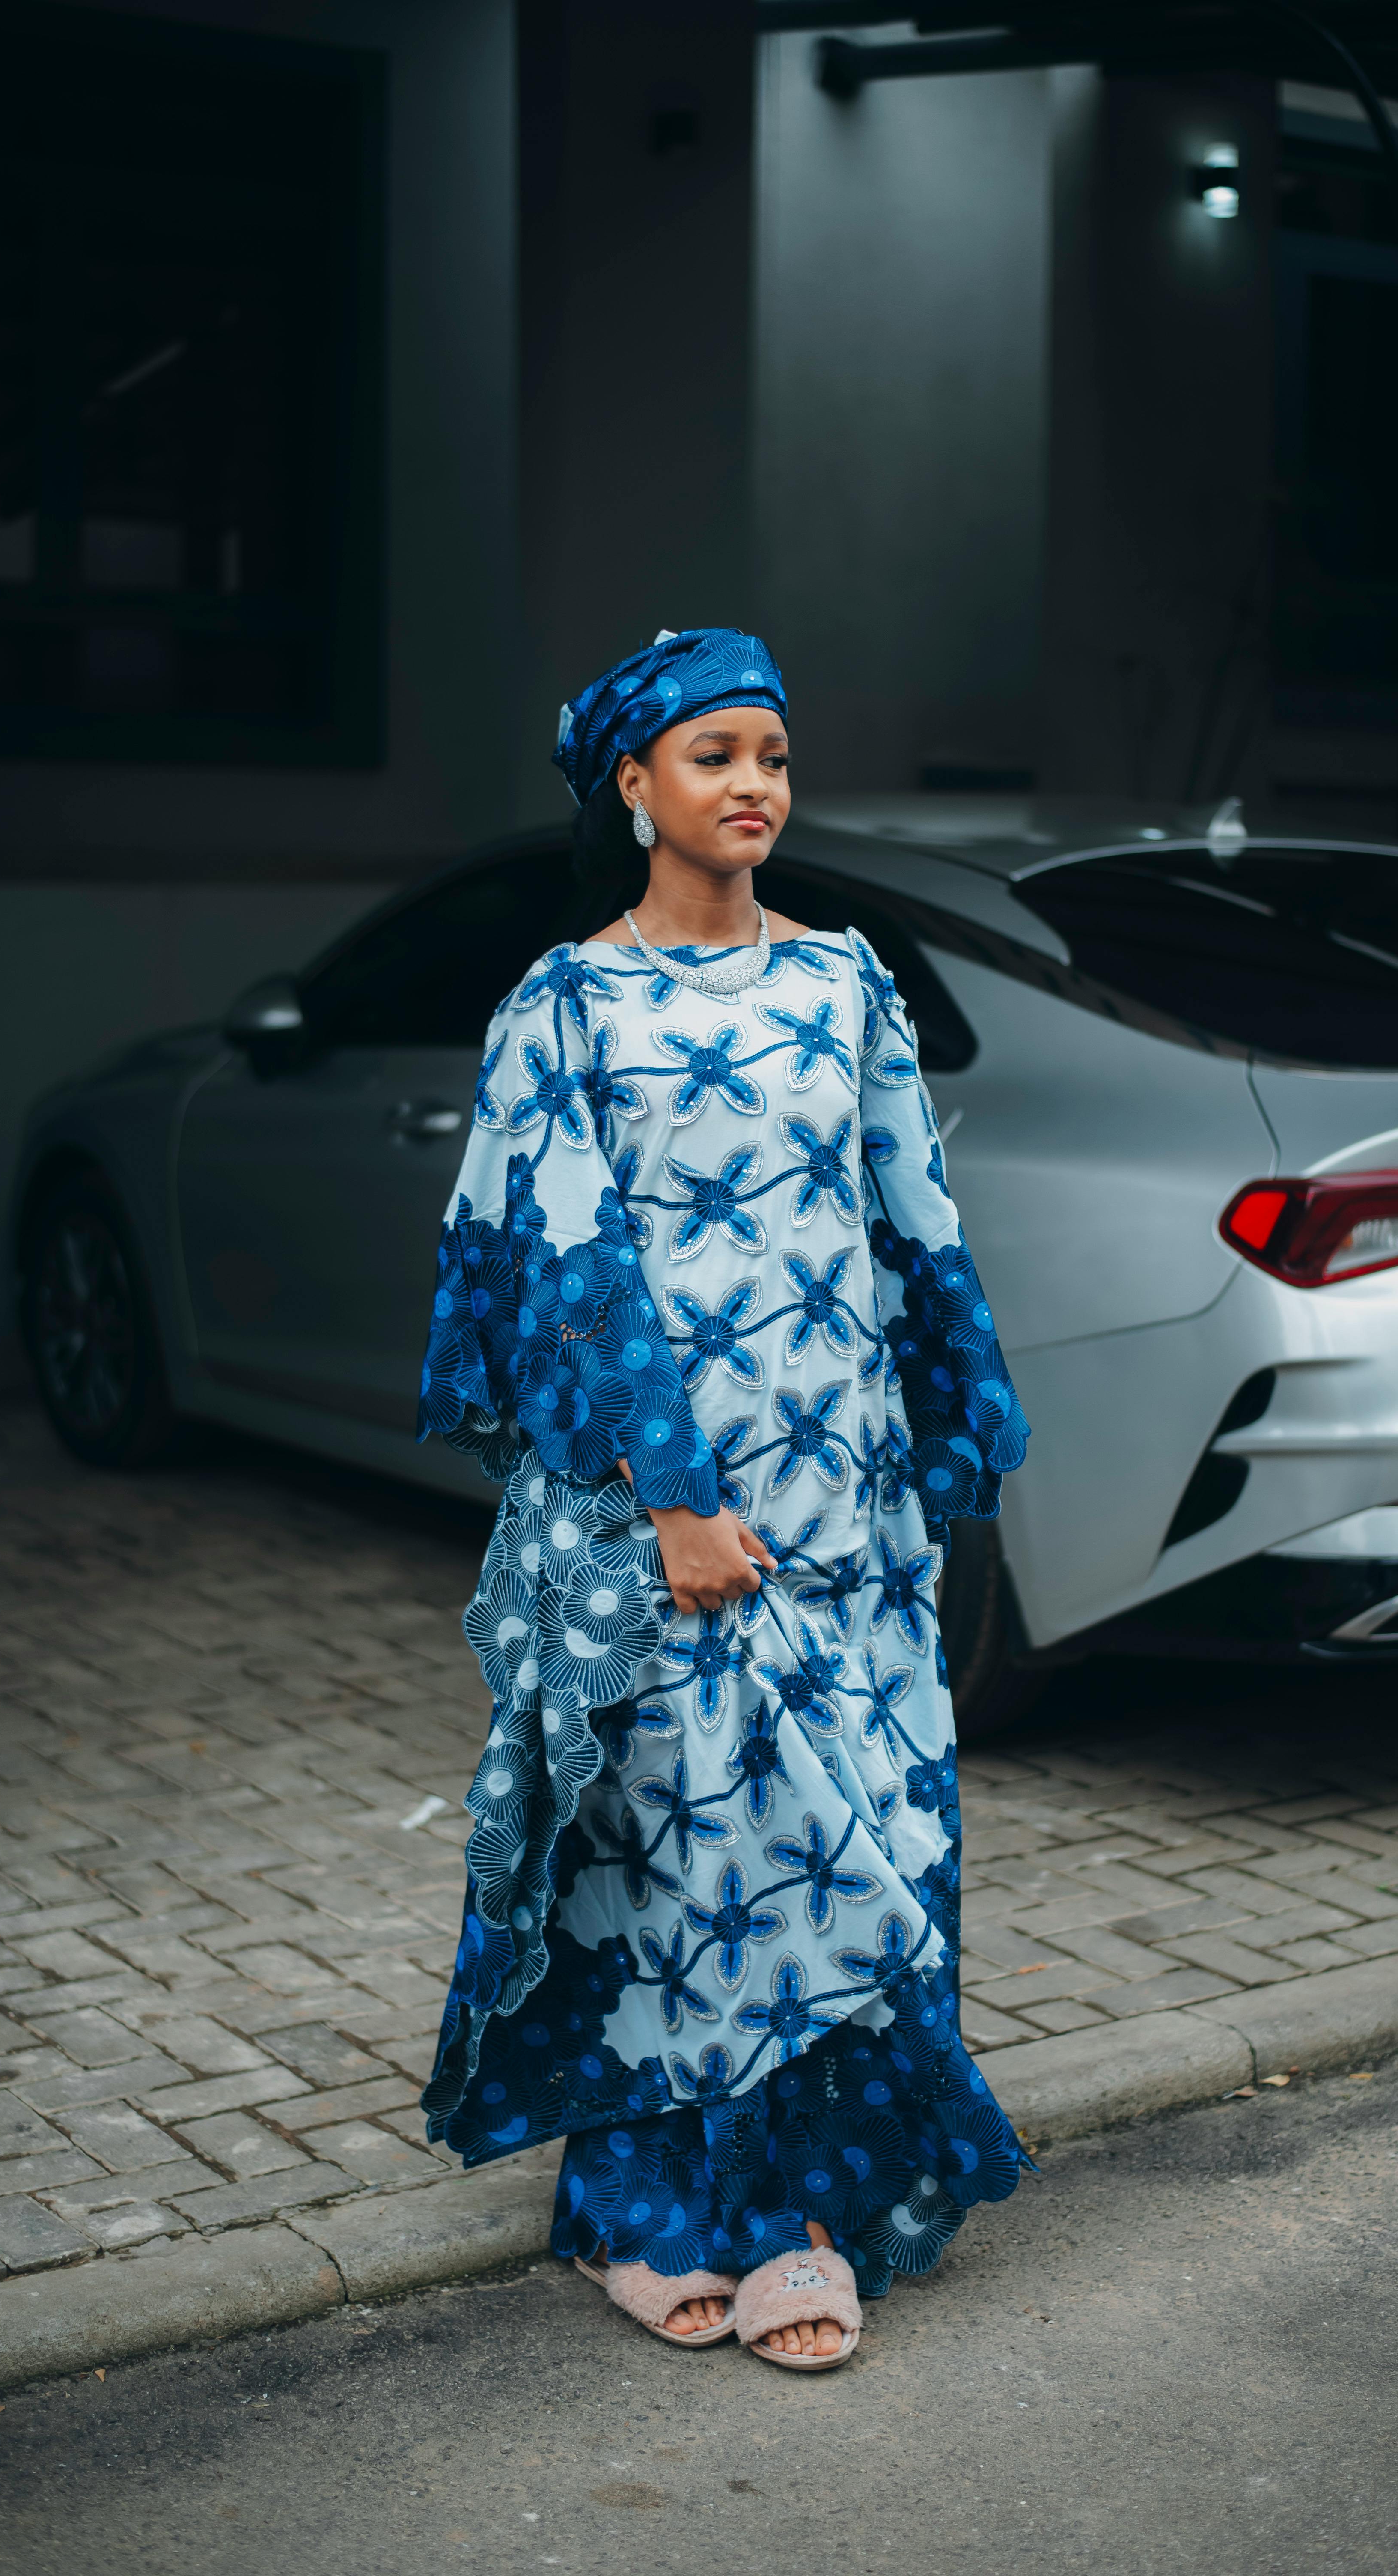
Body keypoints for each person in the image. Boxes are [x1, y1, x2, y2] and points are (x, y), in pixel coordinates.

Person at [416, 626, 1030, 2371]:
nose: (753, 782)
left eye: (770, 751)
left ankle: (804, 2209)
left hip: (846, 1506)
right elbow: (563, 1276)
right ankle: (646, 2213)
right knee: (676, 1854)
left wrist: (948, 1430)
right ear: (631, 785)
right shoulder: (563, 1008)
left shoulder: (846, 985)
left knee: (848, 1843)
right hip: (659, 1515)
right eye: (713, 755)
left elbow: (916, 1227)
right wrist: (671, 1502)